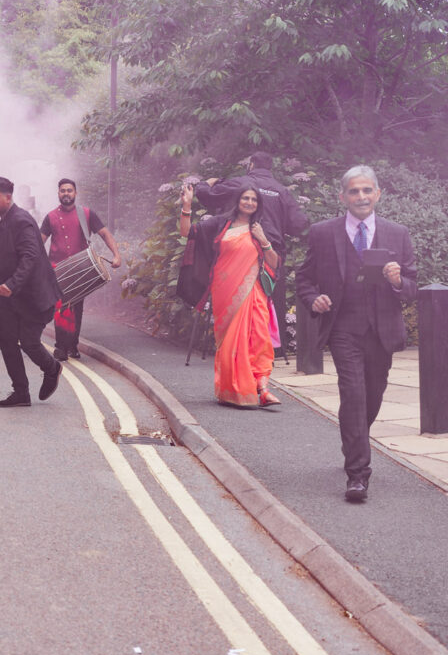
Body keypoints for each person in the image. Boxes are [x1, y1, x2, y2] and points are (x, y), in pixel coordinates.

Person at [294, 166, 417, 504]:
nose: (361, 197)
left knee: (372, 396)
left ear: (378, 194)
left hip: (382, 331)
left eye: (367, 190)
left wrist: (396, 281)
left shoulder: (398, 233)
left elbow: (411, 287)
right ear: (342, 196)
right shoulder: (322, 232)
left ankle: (354, 439)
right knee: (353, 394)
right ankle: (358, 476)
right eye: (354, 191)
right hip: (343, 328)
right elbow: (303, 279)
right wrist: (313, 300)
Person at [178, 182, 281, 408]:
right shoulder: (220, 223)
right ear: (237, 200)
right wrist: (187, 206)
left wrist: (263, 240)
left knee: (260, 337)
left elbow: (274, 263)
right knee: (232, 340)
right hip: (225, 289)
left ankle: (262, 388)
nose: (250, 203)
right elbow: (187, 233)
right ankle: (232, 389)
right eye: (246, 198)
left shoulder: (262, 226)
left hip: (253, 289)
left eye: (254, 200)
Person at [196, 151, 310, 340]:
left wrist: (206, 182)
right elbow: (299, 224)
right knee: (266, 295)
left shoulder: (240, 184)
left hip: (237, 255)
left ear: (251, 165)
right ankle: (268, 344)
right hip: (271, 254)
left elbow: (207, 196)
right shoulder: (282, 191)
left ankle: (234, 341)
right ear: (270, 168)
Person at [0, 176, 64, 407]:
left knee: (29, 342)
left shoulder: (21, 220)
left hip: (32, 297)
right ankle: (21, 393)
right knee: (7, 340)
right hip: (12, 299)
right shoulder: (6, 219)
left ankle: (53, 368)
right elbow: (7, 255)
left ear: (8, 197)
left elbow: (29, 257)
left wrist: (11, 285)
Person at [40, 178, 123, 360]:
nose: (66, 194)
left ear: (75, 193)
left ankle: (73, 345)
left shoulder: (86, 214)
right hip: (57, 269)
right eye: (63, 191)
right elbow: (40, 241)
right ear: (58, 193)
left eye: (69, 190)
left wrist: (116, 255)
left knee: (76, 308)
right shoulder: (51, 216)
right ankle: (61, 347)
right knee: (61, 308)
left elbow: (104, 234)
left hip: (81, 269)